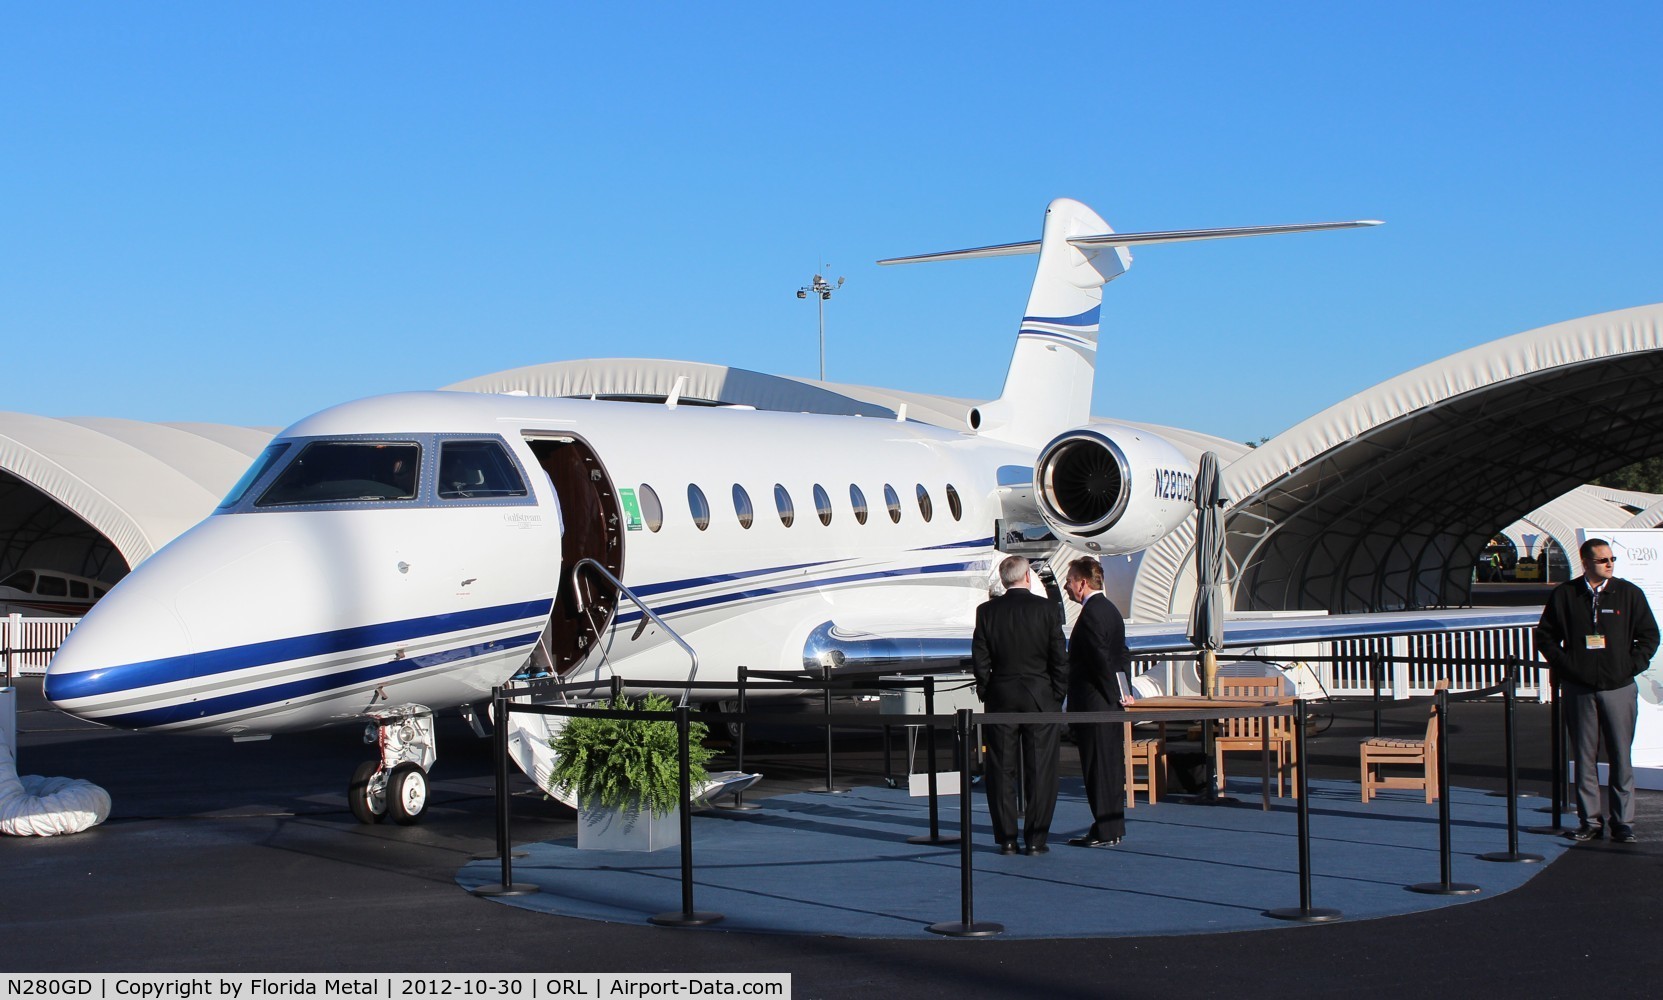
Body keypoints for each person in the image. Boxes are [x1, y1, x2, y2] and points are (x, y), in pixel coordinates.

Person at [1535, 538, 1660, 844]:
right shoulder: (1566, 595)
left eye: (1612, 558)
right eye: (1603, 560)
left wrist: (1629, 666)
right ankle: (1590, 820)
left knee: (1620, 755)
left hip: (1618, 687)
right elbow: (1546, 636)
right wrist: (1568, 666)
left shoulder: (1628, 593)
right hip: (1579, 688)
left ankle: (1623, 822)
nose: (1610, 563)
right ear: (1586, 562)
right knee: (1584, 756)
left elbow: (1649, 636)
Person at [971, 554, 1069, 856]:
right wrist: (1056, 693)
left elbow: (981, 658)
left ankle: (1007, 838)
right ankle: (1036, 839)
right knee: (1041, 769)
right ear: (1027, 577)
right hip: (1040, 698)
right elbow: (1058, 657)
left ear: (1003, 579)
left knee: (1000, 769)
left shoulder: (986, 612)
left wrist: (988, 690)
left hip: (1001, 697)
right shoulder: (1047, 609)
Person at [1063, 556, 1134, 848]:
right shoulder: (1112, 610)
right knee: (1111, 767)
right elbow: (1122, 655)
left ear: (1082, 583)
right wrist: (1123, 690)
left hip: (1095, 704)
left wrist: (1113, 692)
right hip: (1110, 703)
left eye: (1069, 581)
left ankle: (1104, 830)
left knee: (1097, 767)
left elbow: (1099, 660)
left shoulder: (1092, 614)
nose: (1066, 587)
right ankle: (1111, 827)